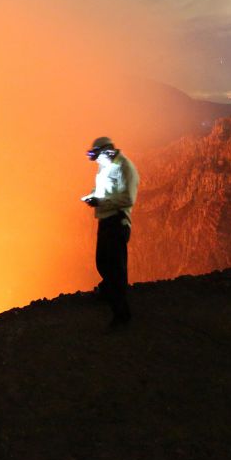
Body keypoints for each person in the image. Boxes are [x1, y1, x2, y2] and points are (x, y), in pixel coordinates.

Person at [81, 136, 139, 328]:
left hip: (117, 222)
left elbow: (127, 199)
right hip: (106, 221)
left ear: (106, 152)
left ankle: (121, 315)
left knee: (115, 268)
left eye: (97, 156)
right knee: (103, 261)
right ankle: (107, 292)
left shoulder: (125, 168)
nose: (96, 160)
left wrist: (101, 202)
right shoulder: (106, 166)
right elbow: (103, 189)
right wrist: (93, 196)